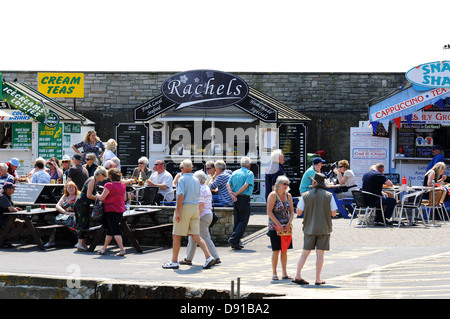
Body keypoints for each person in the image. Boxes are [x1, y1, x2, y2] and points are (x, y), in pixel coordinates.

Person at [162, 159, 215, 269]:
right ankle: (208, 257)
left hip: (185, 208)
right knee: (196, 235)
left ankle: (174, 261)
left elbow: (180, 196)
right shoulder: (197, 180)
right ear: (191, 167)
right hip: (195, 208)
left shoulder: (181, 179)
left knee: (176, 235)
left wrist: (177, 211)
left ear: (182, 168)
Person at [293, 173, 337, 285]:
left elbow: (298, 212)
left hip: (309, 227)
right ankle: (317, 279)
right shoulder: (329, 195)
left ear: (314, 182)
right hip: (324, 228)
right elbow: (333, 213)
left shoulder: (306, 195)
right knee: (320, 254)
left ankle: (297, 275)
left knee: (305, 252)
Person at [180, 170, 220, 265]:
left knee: (204, 237)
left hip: (202, 216)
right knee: (194, 237)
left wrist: (195, 217)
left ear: (198, 179)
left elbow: (201, 205)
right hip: (207, 215)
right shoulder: (205, 187)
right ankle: (188, 258)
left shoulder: (200, 189)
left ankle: (215, 257)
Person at [266, 175, 294, 280]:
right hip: (275, 226)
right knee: (276, 250)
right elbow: (269, 212)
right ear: (278, 185)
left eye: (287, 184)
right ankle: (274, 272)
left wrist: (289, 223)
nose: (286, 186)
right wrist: (278, 224)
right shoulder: (273, 195)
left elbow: (292, 212)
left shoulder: (289, 195)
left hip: (286, 226)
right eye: (284, 184)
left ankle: (284, 273)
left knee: (284, 250)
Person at [74, 166, 107, 251]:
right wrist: (98, 198)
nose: (104, 178)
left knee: (85, 222)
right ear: (99, 174)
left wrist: (99, 196)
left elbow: (94, 192)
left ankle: (82, 243)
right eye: (104, 176)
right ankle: (80, 243)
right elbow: (89, 195)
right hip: (82, 204)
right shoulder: (92, 180)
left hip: (84, 204)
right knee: (82, 223)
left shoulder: (93, 180)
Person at [97, 168, 127, 256]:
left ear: (110, 177)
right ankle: (103, 249)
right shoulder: (122, 185)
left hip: (110, 210)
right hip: (119, 210)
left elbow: (102, 198)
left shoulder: (109, 185)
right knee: (110, 230)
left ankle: (122, 249)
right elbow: (125, 198)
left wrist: (97, 195)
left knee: (115, 230)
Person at [226, 156, 254, 250]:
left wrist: (232, 194)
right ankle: (234, 239)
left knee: (237, 220)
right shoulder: (249, 173)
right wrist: (236, 193)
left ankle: (235, 242)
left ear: (240, 164)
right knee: (244, 220)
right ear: (249, 165)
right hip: (243, 198)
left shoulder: (235, 172)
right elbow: (246, 185)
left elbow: (228, 184)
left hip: (235, 199)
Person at [44, 181, 79, 248]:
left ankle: (79, 241)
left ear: (75, 188)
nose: (71, 189)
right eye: (69, 187)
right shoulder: (65, 196)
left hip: (74, 214)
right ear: (66, 189)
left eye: (73, 187)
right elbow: (57, 206)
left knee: (75, 220)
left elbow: (81, 206)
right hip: (65, 214)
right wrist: (64, 212)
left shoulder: (78, 196)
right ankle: (51, 241)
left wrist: (74, 213)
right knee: (56, 221)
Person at [0, 183, 25, 248]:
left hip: (5, 217)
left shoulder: (7, 195)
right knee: (17, 223)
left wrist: (15, 208)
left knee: (21, 223)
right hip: (2, 218)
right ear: (8, 189)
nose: (14, 189)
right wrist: (17, 210)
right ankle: (3, 240)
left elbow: (8, 207)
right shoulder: (3, 197)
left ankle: (5, 240)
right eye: (13, 188)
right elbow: (11, 210)